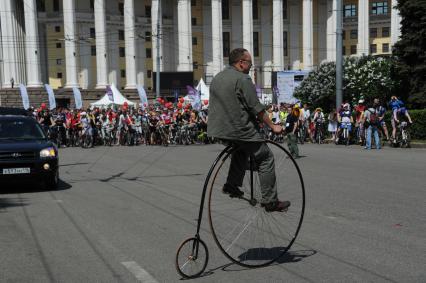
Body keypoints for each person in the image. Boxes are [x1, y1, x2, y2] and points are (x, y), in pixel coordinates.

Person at [208, 48, 290, 212]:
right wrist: (273, 126)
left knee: (241, 151)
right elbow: (256, 108)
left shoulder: (217, 77)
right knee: (266, 157)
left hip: (219, 130)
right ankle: (270, 201)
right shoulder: (242, 79)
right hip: (240, 129)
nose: (251, 67)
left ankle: (232, 185)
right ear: (241, 63)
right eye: (250, 64)